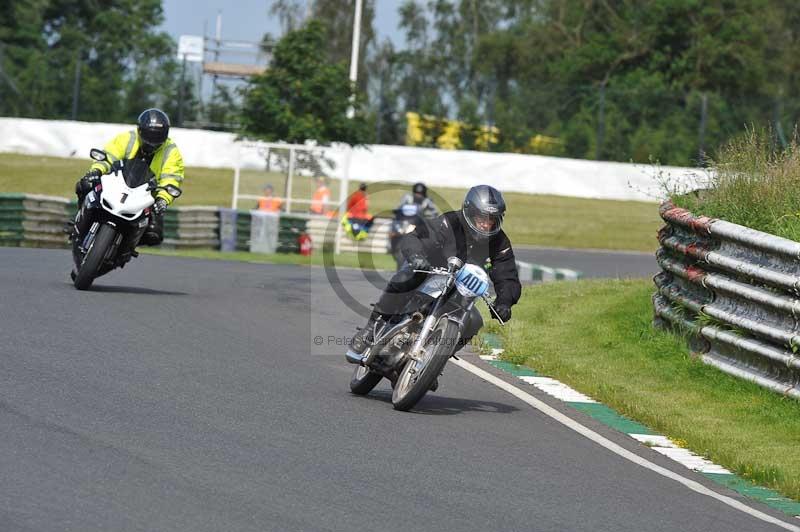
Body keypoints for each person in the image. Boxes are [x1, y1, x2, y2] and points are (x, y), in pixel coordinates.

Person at [351, 185, 521, 355]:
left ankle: (432, 363)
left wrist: (505, 302)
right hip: (429, 272)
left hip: (461, 289)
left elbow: (507, 275)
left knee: (475, 321)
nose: (486, 224)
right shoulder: (449, 222)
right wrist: (417, 257)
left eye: (492, 220)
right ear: (470, 212)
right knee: (407, 277)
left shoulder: (500, 242)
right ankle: (371, 328)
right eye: (482, 218)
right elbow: (417, 237)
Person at [74, 108, 184, 246]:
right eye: (149, 136)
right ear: (140, 130)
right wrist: (97, 170)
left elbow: (172, 177)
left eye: (156, 137)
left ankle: (128, 247)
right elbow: (108, 155)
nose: (151, 142)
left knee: (154, 233)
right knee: (84, 185)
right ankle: (78, 221)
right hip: (117, 182)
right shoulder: (128, 138)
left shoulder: (171, 151)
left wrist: (163, 199)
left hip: (147, 194)